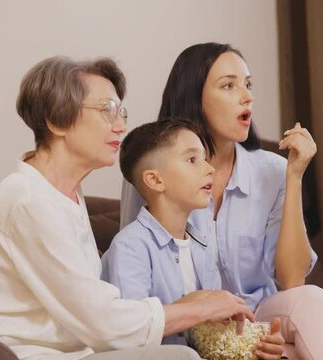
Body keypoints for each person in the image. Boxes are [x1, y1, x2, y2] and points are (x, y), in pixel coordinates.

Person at [0, 56, 254, 360]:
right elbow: (104, 322)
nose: (121, 125)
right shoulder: (26, 200)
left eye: (120, 112)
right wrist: (199, 309)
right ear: (57, 120)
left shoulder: (64, 194)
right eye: (107, 110)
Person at [120, 43, 323, 359]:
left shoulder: (272, 171)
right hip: (188, 325)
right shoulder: (154, 172)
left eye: (248, 84)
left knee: (310, 299)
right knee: (292, 351)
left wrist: (293, 177)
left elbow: (292, 281)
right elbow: (138, 266)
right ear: (195, 97)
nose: (247, 96)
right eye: (228, 85)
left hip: (256, 315)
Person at [103, 118, 285, 359]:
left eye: (205, 158)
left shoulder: (202, 246)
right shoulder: (130, 248)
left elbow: (206, 333)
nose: (209, 168)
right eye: (192, 160)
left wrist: (253, 343)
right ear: (155, 180)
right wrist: (196, 303)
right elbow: (132, 333)